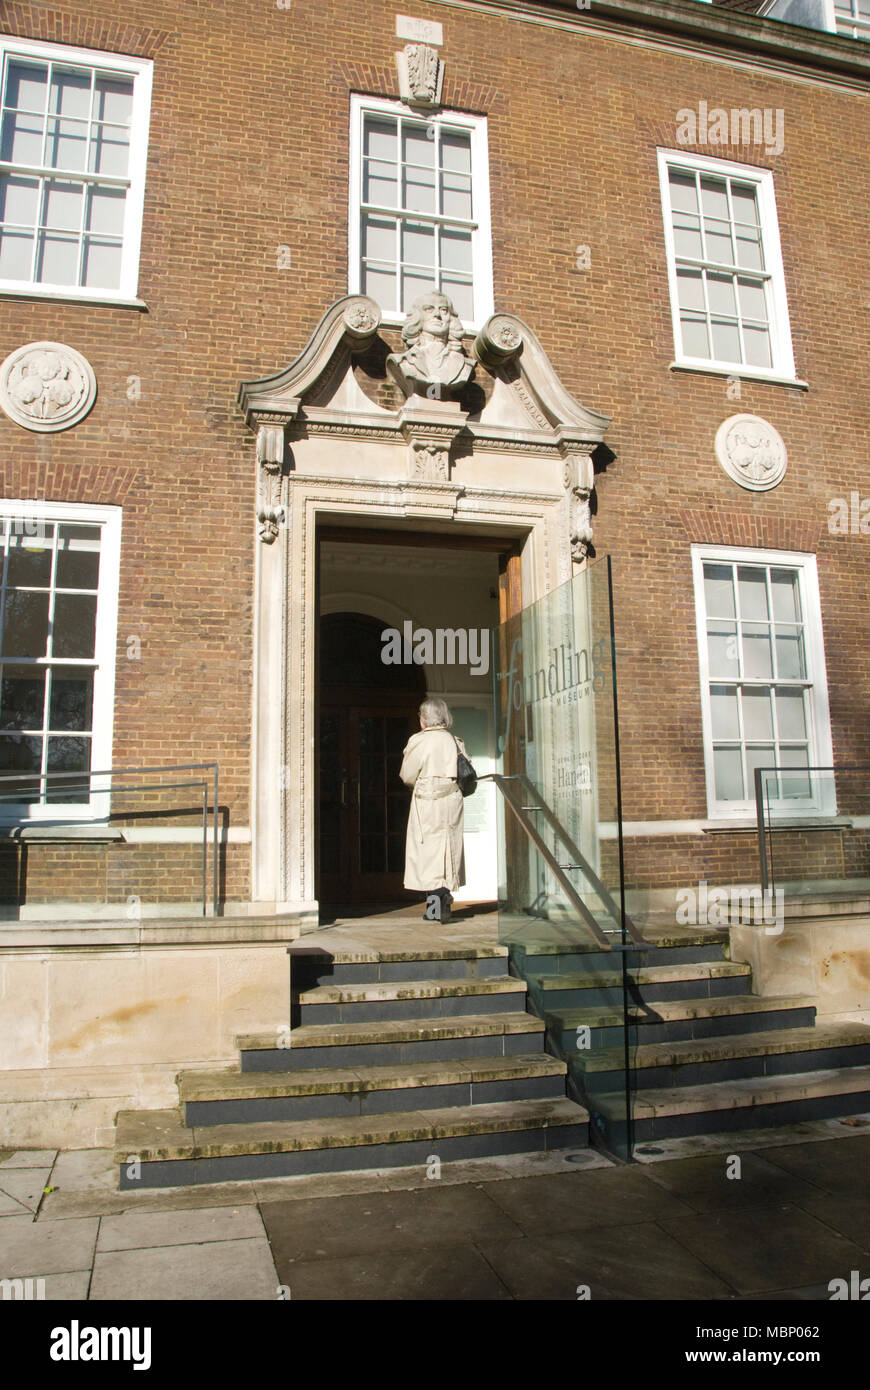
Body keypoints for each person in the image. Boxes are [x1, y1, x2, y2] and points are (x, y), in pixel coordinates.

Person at [399, 697, 466, 923]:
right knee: (448, 850)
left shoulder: (419, 741)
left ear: (424, 719)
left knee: (427, 854)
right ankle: (439, 902)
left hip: (428, 800)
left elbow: (407, 775)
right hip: (452, 799)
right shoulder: (454, 740)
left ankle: (438, 903)